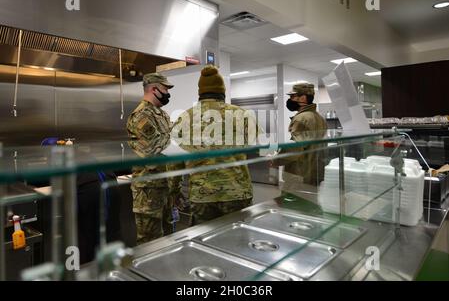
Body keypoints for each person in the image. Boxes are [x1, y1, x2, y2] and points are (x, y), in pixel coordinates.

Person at [173, 65, 258, 225]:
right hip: (237, 192)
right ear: (222, 92)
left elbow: (174, 160)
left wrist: (174, 191)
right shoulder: (242, 114)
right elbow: (255, 146)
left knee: (204, 242)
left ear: (200, 93)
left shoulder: (184, 118)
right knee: (238, 239)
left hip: (202, 195)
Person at [127, 73, 180, 245]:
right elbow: (152, 149)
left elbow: (173, 142)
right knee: (150, 241)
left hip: (165, 188)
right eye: (165, 89)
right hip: (149, 192)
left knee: (168, 239)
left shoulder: (161, 114)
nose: (167, 93)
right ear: (153, 89)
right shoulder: (141, 115)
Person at [279, 83, 328, 203]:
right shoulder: (319, 118)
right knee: (310, 205)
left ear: (302, 98)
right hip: (314, 172)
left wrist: (276, 160)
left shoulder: (301, 118)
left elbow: (295, 148)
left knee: (292, 208)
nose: (290, 100)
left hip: (299, 175)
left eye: (292, 96)